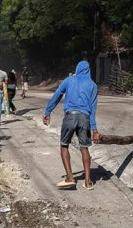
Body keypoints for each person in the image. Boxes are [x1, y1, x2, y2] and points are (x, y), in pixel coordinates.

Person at [43, 61, 101, 190]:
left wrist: (48, 111)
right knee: (84, 148)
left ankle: (70, 177)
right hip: (84, 117)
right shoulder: (93, 85)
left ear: (77, 69)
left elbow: (57, 95)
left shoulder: (69, 80)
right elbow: (93, 109)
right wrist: (94, 129)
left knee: (64, 145)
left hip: (70, 116)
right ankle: (87, 182)